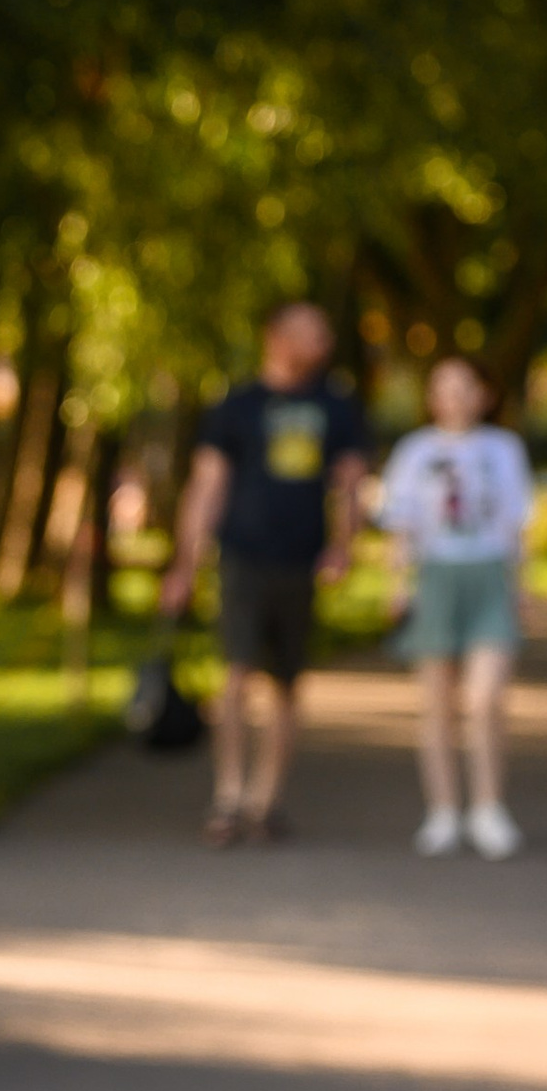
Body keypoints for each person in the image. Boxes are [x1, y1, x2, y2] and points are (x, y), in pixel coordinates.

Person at [160, 300, 367, 844]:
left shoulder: (336, 405)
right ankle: (228, 796)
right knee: (235, 674)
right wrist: (185, 563)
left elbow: (349, 481)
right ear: (276, 337)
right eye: (309, 332)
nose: (322, 342)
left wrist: (344, 545)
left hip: (301, 559)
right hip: (242, 556)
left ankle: (265, 799)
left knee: (287, 684)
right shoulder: (237, 406)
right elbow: (207, 486)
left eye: (325, 333)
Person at [380, 354, 532, 859]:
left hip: (489, 575)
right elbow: (401, 525)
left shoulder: (504, 448)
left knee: (486, 699)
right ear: (431, 397)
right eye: (444, 387)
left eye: (465, 386)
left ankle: (488, 807)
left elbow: (516, 523)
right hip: (436, 578)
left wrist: (520, 586)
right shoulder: (415, 451)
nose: (455, 397)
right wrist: (397, 584)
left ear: (484, 394)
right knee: (437, 705)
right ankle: (443, 810)